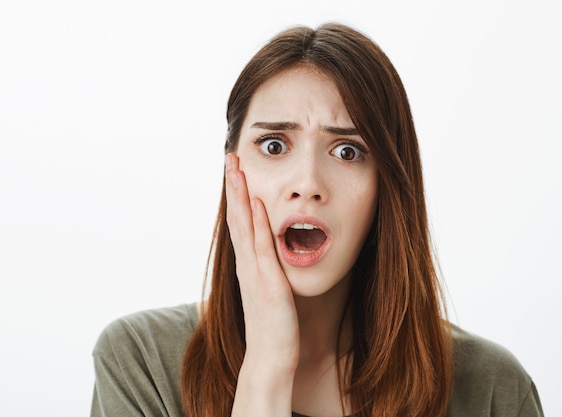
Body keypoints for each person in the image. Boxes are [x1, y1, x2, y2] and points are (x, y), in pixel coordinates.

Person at [90, 22, 544, 417]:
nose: (307, 183)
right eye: (273, 145)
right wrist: (267, 366)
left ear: (386, 187)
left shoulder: (492, 391)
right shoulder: (141, 362)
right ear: (233, 171)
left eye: (348, 151)